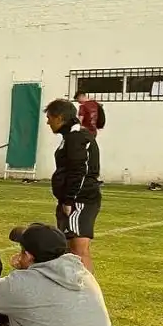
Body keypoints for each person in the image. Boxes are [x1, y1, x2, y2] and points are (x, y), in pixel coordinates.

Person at [45, 97, 102, 272]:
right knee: (68, 250)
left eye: (49, 118)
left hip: (80, 200)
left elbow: (79, 170)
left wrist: (69, 199)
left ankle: (86, 287)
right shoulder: (70, 137)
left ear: (60, 118)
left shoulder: (77, 137)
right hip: (72, 200)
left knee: (78, 250)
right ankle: (72, 285)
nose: (48, 122)